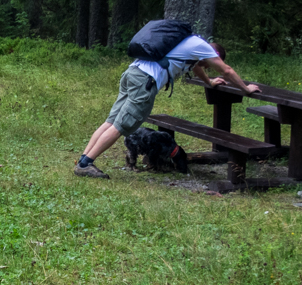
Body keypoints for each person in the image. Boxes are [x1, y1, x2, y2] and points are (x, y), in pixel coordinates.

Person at [74, 29, 260, 179]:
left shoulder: (188, 42)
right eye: (209, 65)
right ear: (215, 53)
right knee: (122, 125)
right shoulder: (203, 48)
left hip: (132, 73)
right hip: (145, 82)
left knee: (111, 121)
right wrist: (246, 89)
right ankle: (85, 164)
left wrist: (209, 81)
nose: (207, 68)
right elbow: (227, 71)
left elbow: (195, 67)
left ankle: (84, 159)